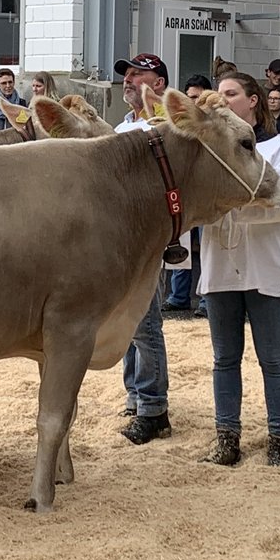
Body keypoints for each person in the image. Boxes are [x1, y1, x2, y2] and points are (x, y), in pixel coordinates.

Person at [198, 72, 280, 469]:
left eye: (232, 93)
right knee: (224, 358)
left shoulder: (279, 149)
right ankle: (227, 438)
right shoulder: (207, 152)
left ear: (253, 101)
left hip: (265, 266)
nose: (223, 100)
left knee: (273, 359)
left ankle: (279, 440)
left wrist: (234, 207)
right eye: (219, 94)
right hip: (221, 266)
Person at [112, 53, 176, 444]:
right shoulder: (123, 127)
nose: (129, 80)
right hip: (121, 237)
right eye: (127, 75)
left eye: (138, 74)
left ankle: (154, 407)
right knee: (128, 321)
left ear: (160, 83)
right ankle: (136, 396)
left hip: (149, 235)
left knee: (145, 322)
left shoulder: (167, 126)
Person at [163, 74, 215, 319]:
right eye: (190, 97)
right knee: (179, 248)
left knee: (206, 248)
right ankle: (178, 296)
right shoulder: (180, 126)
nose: (194, 103)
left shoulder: (215, 128)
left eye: (198, 97)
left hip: (206, 195)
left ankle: (205, 299)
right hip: (183, 195)